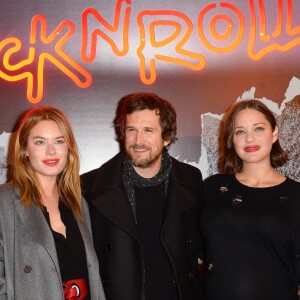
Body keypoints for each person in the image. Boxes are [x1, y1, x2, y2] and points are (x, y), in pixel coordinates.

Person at [81, 92, 203, 300]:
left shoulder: (191, 180)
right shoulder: (90, 187)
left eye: (148, 130)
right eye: (131, 130)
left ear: (166, 137)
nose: (138, 141)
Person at [0, 106, 106, 300]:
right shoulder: (4, 201)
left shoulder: (78, 202)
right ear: (24, 149)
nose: (51, 151)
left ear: (68, 148)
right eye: (40, 142)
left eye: (59, 141)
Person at [200, 99, 300, 300]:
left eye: (259, 129)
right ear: (232, 139)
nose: (249, 139)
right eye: (240, 132)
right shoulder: (212, 188)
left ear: (275, 133)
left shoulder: (296, 195)